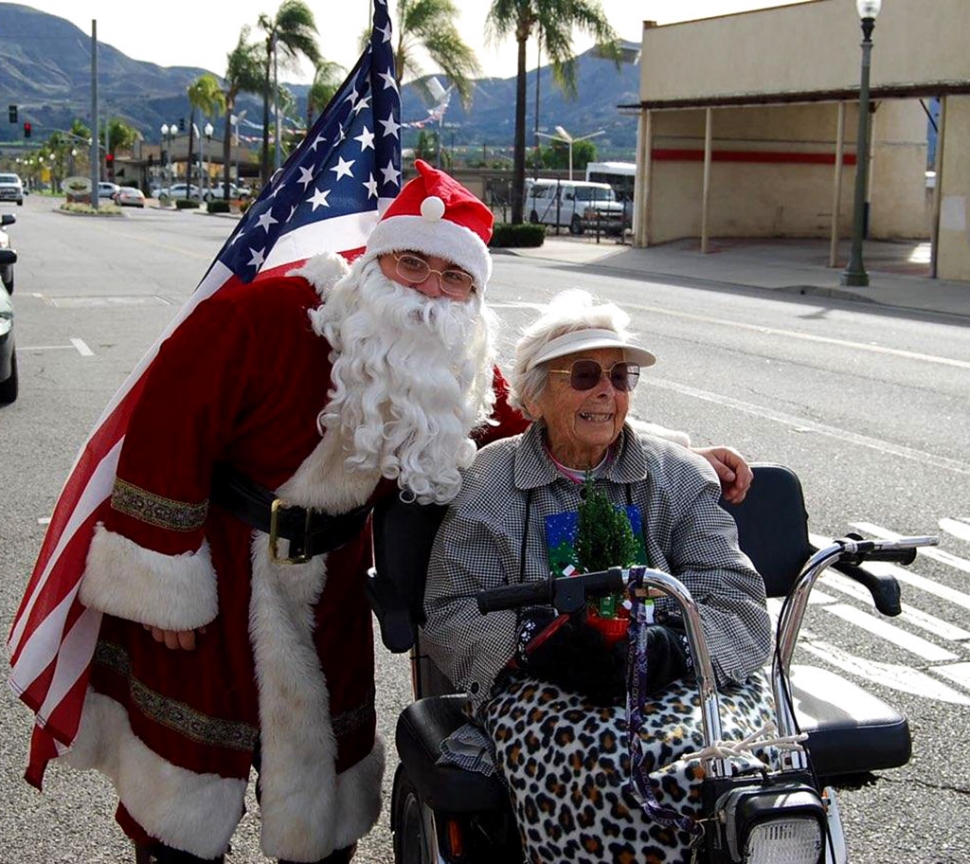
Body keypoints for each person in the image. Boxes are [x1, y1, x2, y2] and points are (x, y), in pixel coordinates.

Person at [22, 162, 748, 864]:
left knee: (324, 783)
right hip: (218, 563)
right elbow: (171, 419)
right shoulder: (269, 311)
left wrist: (670, 448)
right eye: (413, 264)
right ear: (375, 263)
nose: (432, 289)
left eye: (455, 276)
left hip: (331, 579)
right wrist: (162, 579)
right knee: (186, 781)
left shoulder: (450, 361)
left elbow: (539, 423)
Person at [422, 289, 774, 863]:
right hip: (540, 687)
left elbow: (738, 601)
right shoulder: (489, 484)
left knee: (731, 770)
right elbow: (453, 609)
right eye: (584, 374)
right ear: (535, 396)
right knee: (612, 767)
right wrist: (535, 647)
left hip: (687, 681)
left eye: (621, 375)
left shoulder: (677, 478)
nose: (606, 391)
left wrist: (674, 648)